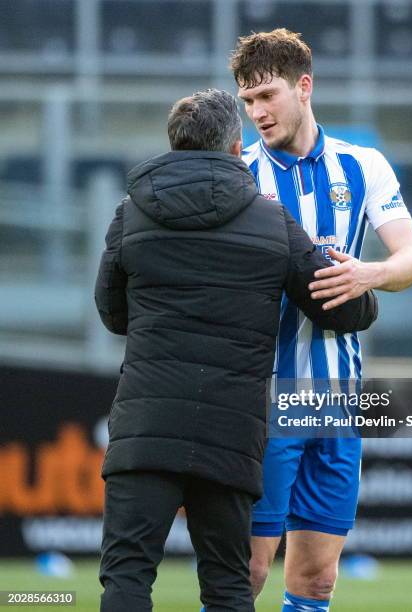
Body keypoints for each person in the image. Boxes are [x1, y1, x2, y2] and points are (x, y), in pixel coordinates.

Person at [94, 88, 378, 612]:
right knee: (228, 585)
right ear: (235, 146)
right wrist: (363, 294)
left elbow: (112, 313)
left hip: (146, 425)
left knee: (127, 577)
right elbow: (337, 307)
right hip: (229, 434)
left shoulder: (131, 213)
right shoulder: (271, 221)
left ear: (175, 144)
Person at [230, 29, 412, 610]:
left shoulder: (362, 166)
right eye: (248, 101)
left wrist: (366, 275)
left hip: (337, 400)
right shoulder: (237, 175)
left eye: (267, 95)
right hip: (263, 402)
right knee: (246, 572)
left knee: (316, 580)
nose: (258, 112)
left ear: (304, 86)